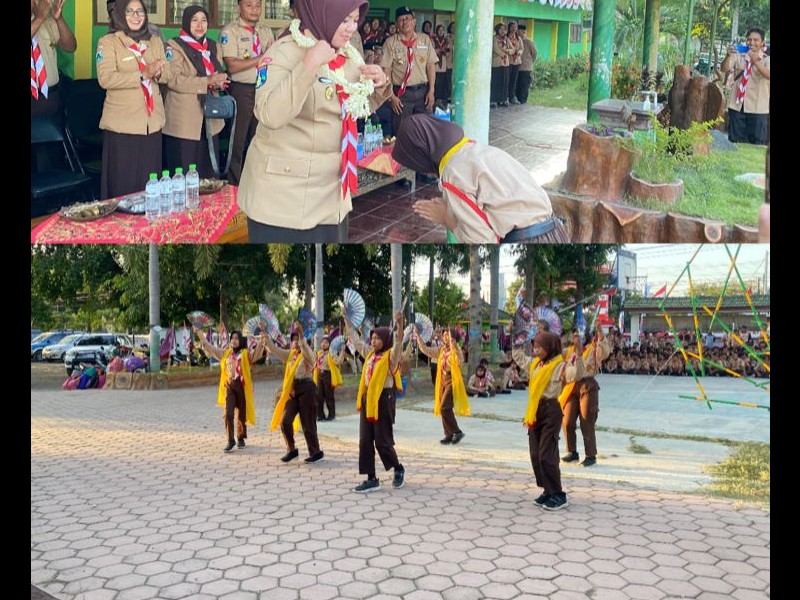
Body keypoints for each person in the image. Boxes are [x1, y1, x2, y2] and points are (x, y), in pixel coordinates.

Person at [237, 0, 389, 243]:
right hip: (283, 198)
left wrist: (379, 85)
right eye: (344, 20)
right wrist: (308, 65)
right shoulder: (284, 51)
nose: (352, 28)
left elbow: (353, 109)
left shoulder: (348, 55)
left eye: (354, 20)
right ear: (321, 13)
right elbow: (269, 114)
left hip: (332, 194)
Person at [392, 114, 568, 243]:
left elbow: (482, 241)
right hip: (555, 231)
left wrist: (446, 218)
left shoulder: (453, 174)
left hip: (529, 239)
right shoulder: (476, 150)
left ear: (421, 157)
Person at [96, 0, 173, 200]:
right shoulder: (108, 42)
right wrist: (142, 74)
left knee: (149, 185)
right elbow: (106, 78)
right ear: (120, 14)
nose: (136, 16)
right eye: (129, 11)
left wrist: (157, 73)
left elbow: (168, 74)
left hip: (152, 123)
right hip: (123, 125)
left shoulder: (154, 41)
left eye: (140, 11)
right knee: (123, 184)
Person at [514, 331, 584, 511]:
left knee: (547, 454)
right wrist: (515, 338)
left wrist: (578, 353)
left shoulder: (560, 366)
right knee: (535, 454)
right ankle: (547, 490)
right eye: (534, 347)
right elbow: (519, 358)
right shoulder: (536, 364)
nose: (535, 351)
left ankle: (558, 494)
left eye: (539, 347)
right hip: (534, 411)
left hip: (551, 410)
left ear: (550, 347)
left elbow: (576, 374)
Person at [163, 5, 230, 178]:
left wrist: (218, 83)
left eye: (204, 20)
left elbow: (216, 73)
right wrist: (207, 81)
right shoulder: (174, 46)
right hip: (184, 121)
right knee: (184, 171)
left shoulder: (213, 46)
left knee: (208, 173)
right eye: (194, 20)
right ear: (186, 22)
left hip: (211, 119)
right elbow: (173, 80)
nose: (200, 25)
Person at [345, 313, 407, 493]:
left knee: (382, 441)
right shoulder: (369, 354)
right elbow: (356, 340)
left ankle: (398, 468)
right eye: (372, 338)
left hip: (383, 400)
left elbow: (398, 342)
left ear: (385, 340)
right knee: (365, 440)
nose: (373, 341)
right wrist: (346, 320)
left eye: (378, 338)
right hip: (367, 399)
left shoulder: (390, 357)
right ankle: (371, 478)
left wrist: (400, 323)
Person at [219, 0, 275, 185]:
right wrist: (261, 58)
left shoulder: (266, 31)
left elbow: (275, 59)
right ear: (238, 7)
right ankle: (234, 183)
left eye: (257, 5)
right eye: (249, 5)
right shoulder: (230, 31)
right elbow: (232, 66)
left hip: (263, 89)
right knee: (238, 139)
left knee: (259, 138)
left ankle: (254, 182)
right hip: (241, 90)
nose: (254, 10)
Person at [194, 328, 266, 453]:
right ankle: (230, 440)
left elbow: (257, 354)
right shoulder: (225, 353)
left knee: (241, 414)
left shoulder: (246, 354)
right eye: (232, 338)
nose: (234, 340)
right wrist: (200, 334)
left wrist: (262, 340)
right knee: (228, 413)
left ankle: (240, 437)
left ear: (241, 340)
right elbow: (210, 348)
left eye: (237, 338)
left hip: (242, 386)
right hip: (229, 386)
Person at [266, 327, 325, 464]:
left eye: (297, 339)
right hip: (293, 390)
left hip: (307, 389)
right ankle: (291, 449)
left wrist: (302, 337)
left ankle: (315, 453)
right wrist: (265, 336)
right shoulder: (290, 354)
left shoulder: (307, 354)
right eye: (293, 340)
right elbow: (274, 350)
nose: (295, 342)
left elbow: (312, 360)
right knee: (285, 421)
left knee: (308, 423)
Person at [379, 6, 438, 139]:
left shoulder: (425, 39)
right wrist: (391, 96)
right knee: (401, 132)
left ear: (414, 21)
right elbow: (386, 70)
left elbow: (430, 65)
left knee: (426, 131)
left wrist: (432, 90)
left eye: (407, 18)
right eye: (401, 20)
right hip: (401, 95)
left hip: (423, 93)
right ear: (396, 24)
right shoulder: (390, 43)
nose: (404, 22)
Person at [559, 323, 610, 467]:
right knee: (567, 420)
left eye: (578, 334)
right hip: (571, 386)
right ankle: (572, 452)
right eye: (574, 334)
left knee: (586, 420)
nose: (575, 337)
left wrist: (600, 331)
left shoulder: (593, 348)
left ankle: (590, 455)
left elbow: (605, 352)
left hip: (587, 385)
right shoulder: (569, 351)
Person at [415, 327, 470, 445]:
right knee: (443, 408)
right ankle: (448, 434)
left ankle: (457, 431)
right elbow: (426, 350)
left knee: (444, 407)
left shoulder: (456, 350)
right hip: (442, 380)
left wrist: (455, 348)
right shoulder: (441, 350)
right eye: (444, 335)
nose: (445, 337)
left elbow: (460, 362)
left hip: (452, 380)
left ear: (454, 338)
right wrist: (418, 338)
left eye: (448, 335)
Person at [721, 27, 770, 145]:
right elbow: (724, 69)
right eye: (749, 39)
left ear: (762, 42)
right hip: (737, 106)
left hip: (758, 108)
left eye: (756, 40)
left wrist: (756, 61)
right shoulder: (738, 56)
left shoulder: (766, 60)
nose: (751, 42)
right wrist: (727, 56)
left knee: (757, 144)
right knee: (735, 142)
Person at [31, 0, 77, 118]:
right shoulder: (40, 19)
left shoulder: (48, 21)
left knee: (52, 129)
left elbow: (71, 47)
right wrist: (39, 19)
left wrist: (59, 19)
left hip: (50, 96)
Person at [313, 335, 347, 421]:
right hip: (320, 375)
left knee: (329, 396)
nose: (323, 344)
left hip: (328, 375)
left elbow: (338, 361)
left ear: (330, 344)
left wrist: (342, 351)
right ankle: (320, 415)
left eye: (326, 342)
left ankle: (331, 415)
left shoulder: (332, 353)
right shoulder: (319, 353)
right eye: (322, 342)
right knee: (319, 396)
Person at [490, 23, 512, 108]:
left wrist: (508, 51)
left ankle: (503, 99)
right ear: (497, 30)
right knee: (496, 81)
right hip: (496, 62)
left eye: (504, 29)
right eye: (501, 29)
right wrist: (504, 54)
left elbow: (513, 49)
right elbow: (495, 49)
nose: (503, 31)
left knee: (504, 81)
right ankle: (493, 100)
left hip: (505, 63)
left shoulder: (506, 39)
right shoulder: (494, 38)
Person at [432, 24, 450, 104]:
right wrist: (440, 50)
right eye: (439, 30)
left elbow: (447, 53)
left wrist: (441, 51)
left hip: (443, 65)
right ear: (436, 31)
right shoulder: (433, 40)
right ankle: (435, 99)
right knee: (436, 83)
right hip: (435, 65)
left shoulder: (446, 41)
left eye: (442, 30)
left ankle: (441, 99)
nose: (441, 31)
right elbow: (432, 51)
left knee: (442, 83)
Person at [506, 22, 523, 105]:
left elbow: (521, 48)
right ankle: (506, 97)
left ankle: (512, 97)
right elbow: (505, 48)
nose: (513, 29)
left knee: (514, 80)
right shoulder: (506, 38)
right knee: (507, 79)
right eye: (512, 27)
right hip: (508, 61)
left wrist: (519, 52)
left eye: (515, 27)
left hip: (517, 61)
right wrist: (512, 51)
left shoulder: (518, 38)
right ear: (509, 28)